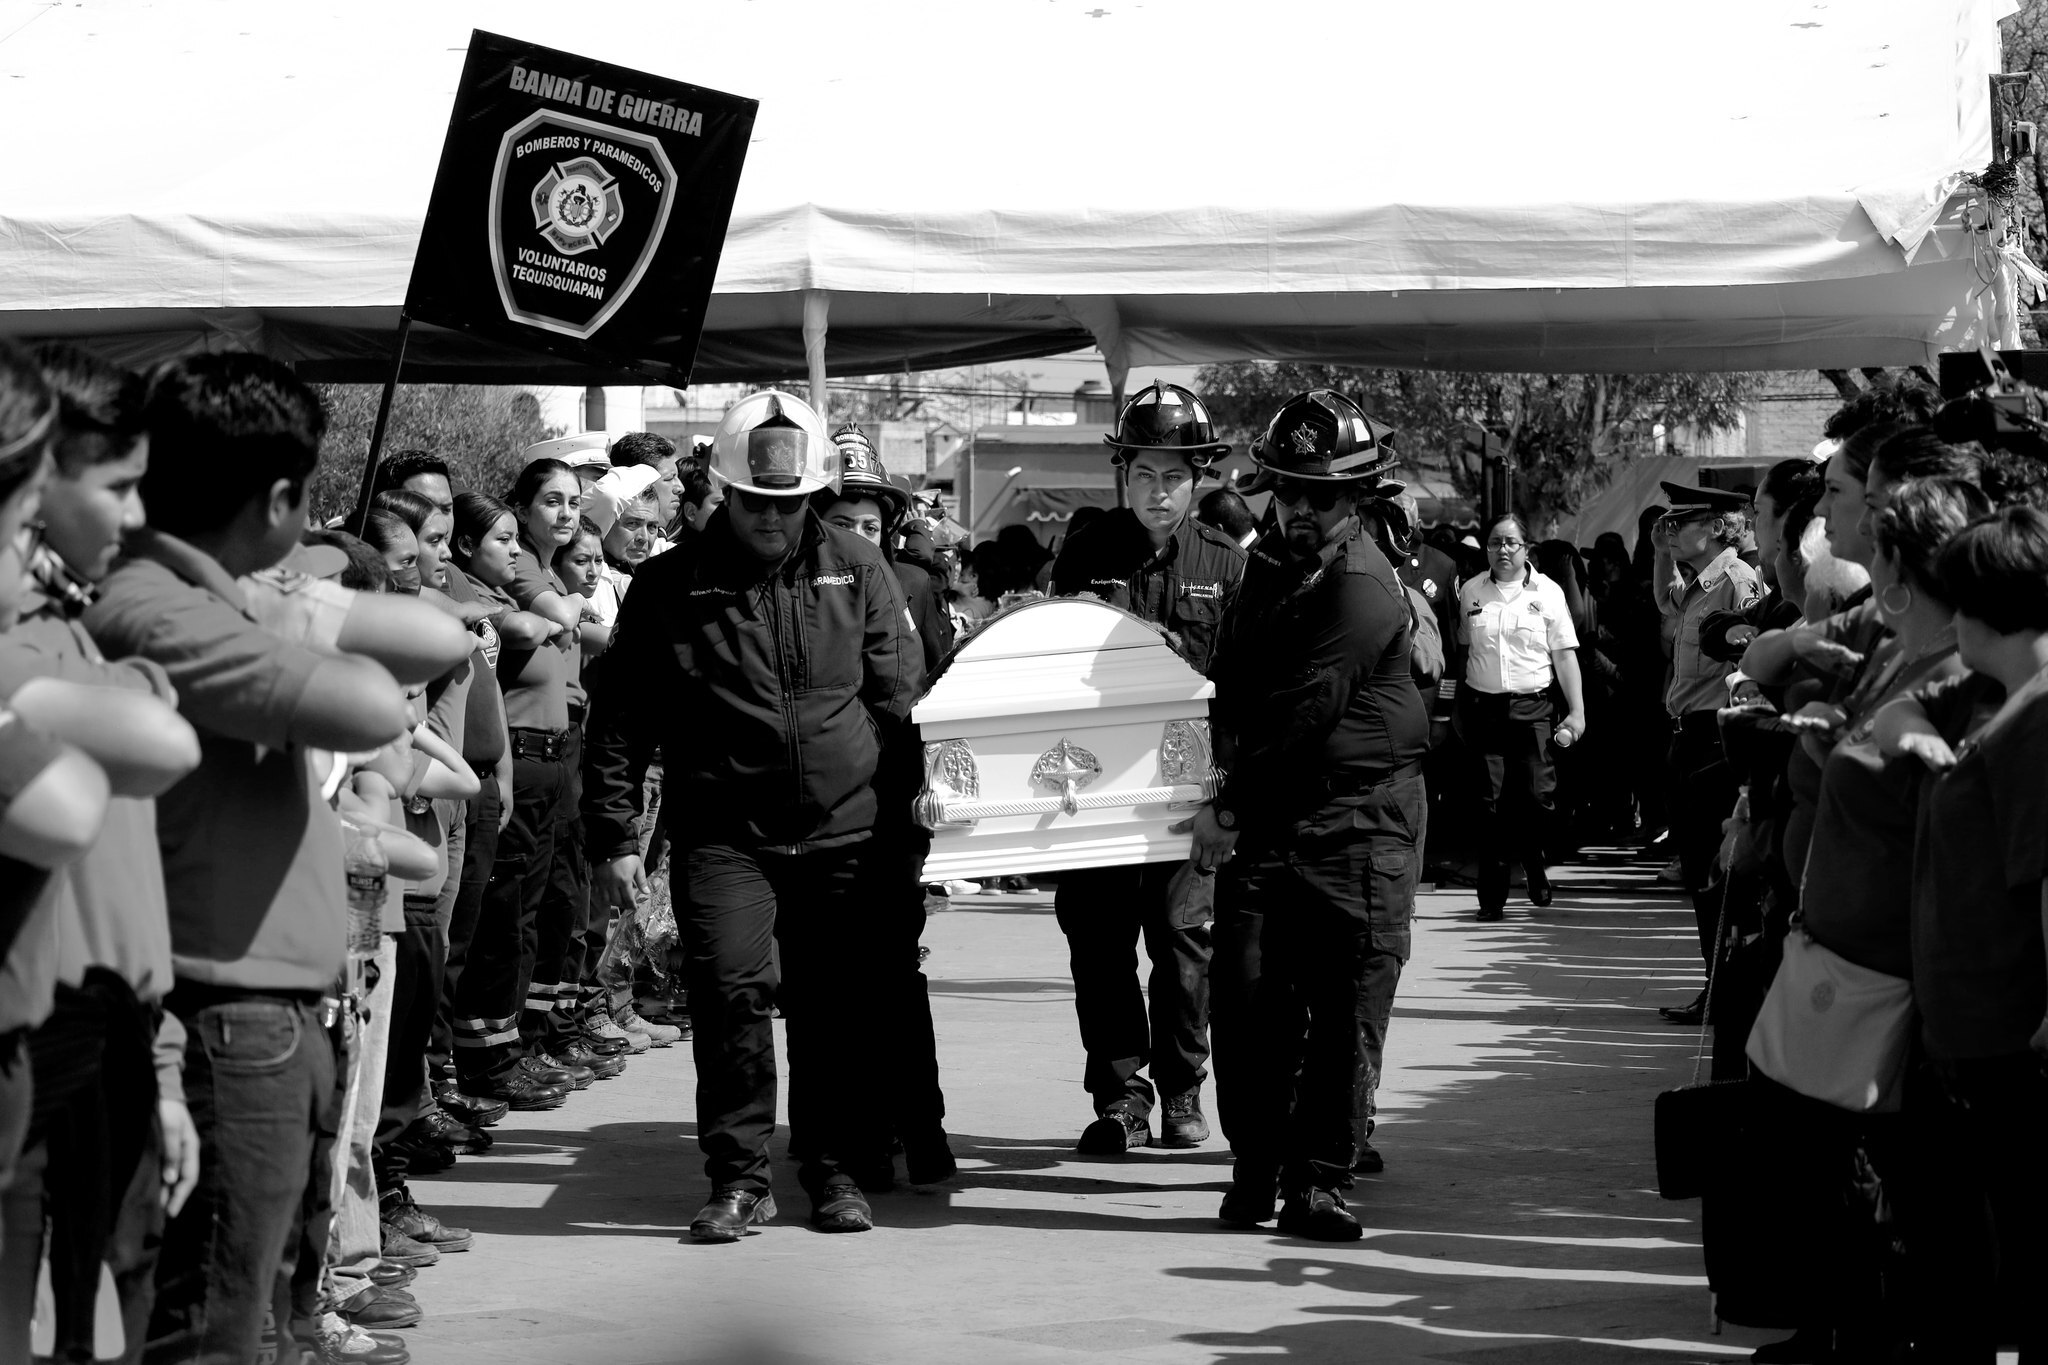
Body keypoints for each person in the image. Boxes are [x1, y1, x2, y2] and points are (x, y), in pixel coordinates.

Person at [82, 352, 467, 1364]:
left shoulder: (200, 592)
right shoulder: (156, 606)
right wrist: (282, 605)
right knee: (209, 1333)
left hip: (270, 1010)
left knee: (249, 1317)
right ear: (284, 498)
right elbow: (379, 703)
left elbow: (434, 639)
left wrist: (271, 597)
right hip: (219, 1013)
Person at [583, 391, 923, 1239]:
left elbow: (898, 695)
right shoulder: (667, 587)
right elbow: (621, 717)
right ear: (724, 493)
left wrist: (906, 812)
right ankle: (738, 1176)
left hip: (846, 832)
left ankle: (832, 1167)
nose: (775, 519)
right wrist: (615, 832)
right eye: (757, 501)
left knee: (831, 1005)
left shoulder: (859, 565)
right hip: (725, 833)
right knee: (732, 990)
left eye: (790, 501)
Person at [1195, 388, 1429, 1240]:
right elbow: (1232, 680)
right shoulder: (1265, 570)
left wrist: (1225, 803)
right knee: (1249, 1001)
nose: (1297, 507)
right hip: (1271, 815)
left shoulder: (1365, 585)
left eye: (1319, 494)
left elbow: (1304, 707)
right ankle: (1257, 1167)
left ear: (1357, 498)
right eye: (1284, 488)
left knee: (1343, 1008)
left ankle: (1320, 1180)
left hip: (1359, 827)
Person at [1041, 381, 1247, 1154]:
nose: (1158, 493)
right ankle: (1121, 1094)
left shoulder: (1226, 566)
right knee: (1096, 938)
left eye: (1174, 477)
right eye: (1143, 476)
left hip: (1189, 785)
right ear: (1122, 475)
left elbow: (1244, 686)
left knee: (1182, 936)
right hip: (1096, 783)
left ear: (1199, 481)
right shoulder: (1086, 551)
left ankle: (1184, 1086)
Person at [1874, 504, 2048, 1365]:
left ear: (1983, 606)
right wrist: (1918, 740)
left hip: (2014, 1043)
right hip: (1969, 1036)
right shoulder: (1986, 692)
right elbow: (1896, 714)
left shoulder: (2037, 715)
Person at [442, 490, 603, 1110]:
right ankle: (479, 1065)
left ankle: (515, 1049)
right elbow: (536, 626)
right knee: (493, 924)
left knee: (531, 916)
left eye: (515, 541)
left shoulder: (502, 589)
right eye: (501, 541)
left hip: (533, 765)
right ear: (463, 548)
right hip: (498, 769)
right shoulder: (466, 592)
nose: (514, 552)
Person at [1649, 480, 1761, 1024]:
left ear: (1717, 527)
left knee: (1716, 877)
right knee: (1698, 873)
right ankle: (1716, 987)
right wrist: (1657, 549)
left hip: (1714, 739)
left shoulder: (1738, 583)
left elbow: (1754, 656)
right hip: (1687, 734)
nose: (1670, 529)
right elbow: (1664, 602)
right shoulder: (1700, 581)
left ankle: (1726, 991)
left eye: (1681, 521)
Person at [1453, 514, 1586, 920]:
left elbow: (1564, 655)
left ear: (1527, 548)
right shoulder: (1471, 591)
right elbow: (1463, 654)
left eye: (1511, 543)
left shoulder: (1548, 592)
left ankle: (1532, 856)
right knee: (1489, 804)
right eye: (1495, 543)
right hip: (1485, 710)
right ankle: (1491, 895)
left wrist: (1577, 712)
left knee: (1537, 798)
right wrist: (1455, 709)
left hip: (1534, 709)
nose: (1503, 551)